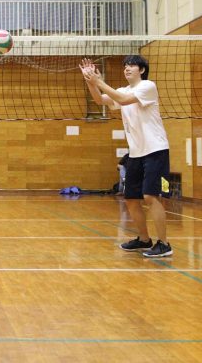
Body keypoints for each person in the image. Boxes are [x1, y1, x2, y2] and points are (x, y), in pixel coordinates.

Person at [81, 56, 173, 257]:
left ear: (142, 70)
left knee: (150, 196)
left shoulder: (147, 86)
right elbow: (100, 100)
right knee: (131, 198)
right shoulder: (122, 90)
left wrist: (99, 81)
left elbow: (122, 100)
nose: (127, 68)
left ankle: (164, 244)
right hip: (136, 153)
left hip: (156, 150)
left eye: (131, 65)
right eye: (125, 66)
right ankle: (144, 239)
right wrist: (91, 82)